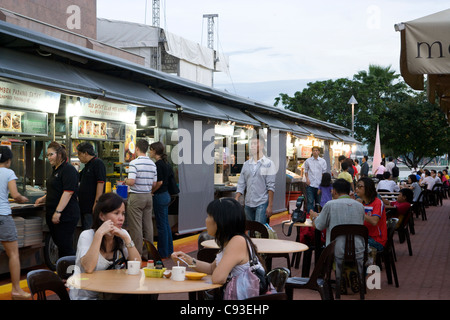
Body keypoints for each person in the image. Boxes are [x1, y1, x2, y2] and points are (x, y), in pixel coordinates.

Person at [171, 198, 266, 300]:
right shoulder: (230, 241)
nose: (206, 220)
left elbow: (218, 278)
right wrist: (188, 260)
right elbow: (211, 269)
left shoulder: (237, 242)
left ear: (220, 221)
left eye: (209, 216)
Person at [70, 192, 141, 300]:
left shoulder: (122, 235)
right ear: (102, 216)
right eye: (116, 213)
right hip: (86, 297)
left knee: (141, 295)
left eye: (123, 213)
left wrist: (127, 239)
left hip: (113, 293)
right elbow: (89, 268)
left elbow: (137, 265)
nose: (121, 218)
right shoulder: (87, 236)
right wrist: (99, 234)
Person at [309, 179, 365, 293]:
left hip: (336, 250)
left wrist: (314, 217)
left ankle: (341, 278)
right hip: (358, 248)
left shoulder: (330, 205)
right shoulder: (360, 206)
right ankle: (349, 273)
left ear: (334, 191)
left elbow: (318, 226)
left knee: (335, 248)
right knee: (347, 250)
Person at [35, 142, 80, 258]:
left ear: (59, 154)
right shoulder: (55, 169)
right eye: (47, 155)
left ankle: (72, 273)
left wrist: (58, 212)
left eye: (51, 155)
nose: (49, 158)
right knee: (61, 246)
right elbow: (56, 189)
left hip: (66, 215)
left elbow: (68, 192)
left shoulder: (68, 169)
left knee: (66, 247)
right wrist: (43, 198)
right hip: (54, 214)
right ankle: (62, 273)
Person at [0, 146, 31, 300]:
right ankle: (16, 290)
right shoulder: (8, 172)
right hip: (3, 216)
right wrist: (23, 199)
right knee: (13, 254)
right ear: (9, 160)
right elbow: (15, 194)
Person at [124, 139, 157, 258]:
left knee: (136, 226)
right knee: (148, 226)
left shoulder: (134, 163)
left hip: (136, 196)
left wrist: (125, 181)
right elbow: (154, 184)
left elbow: (131, 181)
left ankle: (136, 254)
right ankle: (148, 254)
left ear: (137, 148)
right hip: (148, 196)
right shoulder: (152, 164)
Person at [235, 135, 276, 225]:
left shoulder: (268, 164)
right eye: (251, 144)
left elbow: (271, 186)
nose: (252, 146)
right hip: (248, 203)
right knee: (249, 230)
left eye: (255, 144)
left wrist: (270, 206)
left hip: (262, 203)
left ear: (261, 146)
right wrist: (237, 198)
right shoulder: (246, 164)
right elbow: (241, 183)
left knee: (259, 231)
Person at [149, 141, 173, 259]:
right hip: (166, 195)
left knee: (161, 225)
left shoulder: (158, 164)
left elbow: (159, 182)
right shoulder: (166, 163)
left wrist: (151, 192)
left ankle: (162, 252)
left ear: (154, 150)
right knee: (166, 224)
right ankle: (169, 250)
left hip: (160, 196)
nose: (149, 152)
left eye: (150, 150)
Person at [77, 142, 106, 230]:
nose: (78, 157)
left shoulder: (98, 163)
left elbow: (100, 183)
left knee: (90, 231)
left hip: (91, 207)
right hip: (84, 207)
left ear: (85, 153)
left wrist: (96, 203)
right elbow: (77, 178)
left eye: (79, 154)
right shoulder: (87, 166)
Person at [355, 178, 387, 260]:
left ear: (368, 188)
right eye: (356, 186)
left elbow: (374, 221)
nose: (356, 189)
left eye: (359, 186)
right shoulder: (361, 202)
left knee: (353, 245)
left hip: (376, 240)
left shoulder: (377, 202)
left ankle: (363, 270)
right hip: (364, 236)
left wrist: (360, 209)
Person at [303, 146, 327, 213]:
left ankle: (318, 217)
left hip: (319, 185)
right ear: (312, 152)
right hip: (310, 184)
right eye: (314, 150)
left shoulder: (323, 161)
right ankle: (310, 217)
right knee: (310, 201)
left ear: (319, 152)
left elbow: (323, 173)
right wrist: (307, 179)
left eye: (316, 150)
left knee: (318, 202)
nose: (315, 152)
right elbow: (306, 171)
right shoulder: (308, 161)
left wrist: (322, 184)